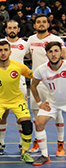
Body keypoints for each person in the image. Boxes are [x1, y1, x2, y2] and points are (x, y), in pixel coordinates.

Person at [0, 40, 35, 164]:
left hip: (17, 100)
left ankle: (25, 153)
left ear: (10, 52)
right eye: (0, 50)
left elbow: (35, 76)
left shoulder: (19, 66)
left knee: (27, 126)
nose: (3, 53)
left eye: (5, 50)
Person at [27, 14, 66, 155]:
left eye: (44, 22)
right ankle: (37, 142)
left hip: (55, 82)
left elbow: (64, 57)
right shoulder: (31, 40)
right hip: (38, 80)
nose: (41, 24)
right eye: (39, 22)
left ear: (48, 24)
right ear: (35, 26)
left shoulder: (56, 39)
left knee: (58, 113)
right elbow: (28, 56)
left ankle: (60, 143)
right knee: (36, 113)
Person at [0, 20, 30, 155]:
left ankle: (21, 142)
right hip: (2, 83)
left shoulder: (25, 44)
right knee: (2, 114)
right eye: (9, 28)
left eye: (14, 27)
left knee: (21, 115)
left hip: (20, 84)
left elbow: (32, 56)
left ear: (18, 29)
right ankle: (1, 142)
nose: (12, 30)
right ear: (6, 29)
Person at [31, 41, 65, 165]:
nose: (53, 54)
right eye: (50, 52)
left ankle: (60, 144)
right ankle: (45, 155)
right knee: (39, 123)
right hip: (53, 102)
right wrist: (40, 103)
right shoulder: (41, 70)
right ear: (46, 55)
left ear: (61, 53)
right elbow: (33, 86)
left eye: (56, 51)